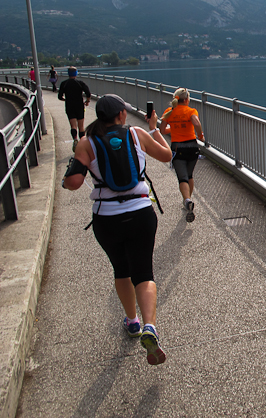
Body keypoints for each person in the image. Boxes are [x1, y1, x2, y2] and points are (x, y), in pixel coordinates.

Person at [62, 94, 173, 365]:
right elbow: (167, 155)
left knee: (121, 269)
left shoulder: (86, 142)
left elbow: (74, 182)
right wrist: (154, 128)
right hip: (141, 214)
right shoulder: (136, 134)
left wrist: (67, 177)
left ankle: (132, 321)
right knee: (144, 272)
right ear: (122, 115)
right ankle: (150, 326)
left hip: (107, 218)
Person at [159, 87, 205, 223]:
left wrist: (174, 127)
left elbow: (162, 130)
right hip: (192, 147)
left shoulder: (169, 112)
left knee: (182, 178)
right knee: (189, 175)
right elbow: (196, 122)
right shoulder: (191, 111)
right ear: (187, 100)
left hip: (178, 147)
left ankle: (187, 200)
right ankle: (188, 200)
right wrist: (200, 136)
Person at [58, 66, 91, 152]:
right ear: (76, 73)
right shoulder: (80, 83)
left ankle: (75, 138)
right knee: (81, 126)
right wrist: (87, 101)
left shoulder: (64, 83)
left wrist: (66, 100)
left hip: (69, 106)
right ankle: (83, 144)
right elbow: (88, 93)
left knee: (73, 126)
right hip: (79, 105)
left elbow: (60, 97)